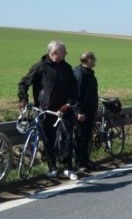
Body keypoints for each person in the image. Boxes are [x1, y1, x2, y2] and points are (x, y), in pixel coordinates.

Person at [17, 40, 81, 180]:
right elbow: (23, 83)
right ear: (54, 53)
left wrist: (69, 103)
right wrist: (23, 99)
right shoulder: (39, 67)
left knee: (67, 139)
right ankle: (52, 167)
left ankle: (68, 168)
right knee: (48, 141)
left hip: (64, 111)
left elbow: (74, 88)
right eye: (64, 51)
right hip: (45, 112)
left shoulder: (67, 68)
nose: (66, 53)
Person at [73, 51, 99, 172]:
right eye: (94, 59)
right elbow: (77, 94)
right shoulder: (80, 74)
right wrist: (78, 111)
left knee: (87, 136)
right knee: (80, 137)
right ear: (88, 60)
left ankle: (86, 160)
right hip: (82, 112)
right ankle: (80, 163)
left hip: (89, 111)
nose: (95, 61)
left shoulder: (88, 73)